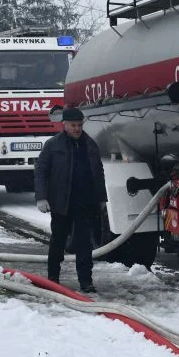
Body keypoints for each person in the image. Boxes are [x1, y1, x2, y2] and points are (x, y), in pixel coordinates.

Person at [34, 107, 107, 293]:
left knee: (84, 244)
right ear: (64, 125)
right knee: (58, 241)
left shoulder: (90, 144)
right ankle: (53, 278)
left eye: (79, 125)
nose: (77, 129)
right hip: (61, 202)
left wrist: (101, 198)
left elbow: (98, 172)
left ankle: (86, 281)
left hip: (85, 202)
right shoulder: (53, 145)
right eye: (73, 125)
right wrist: (42, 197)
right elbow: (41, 171)